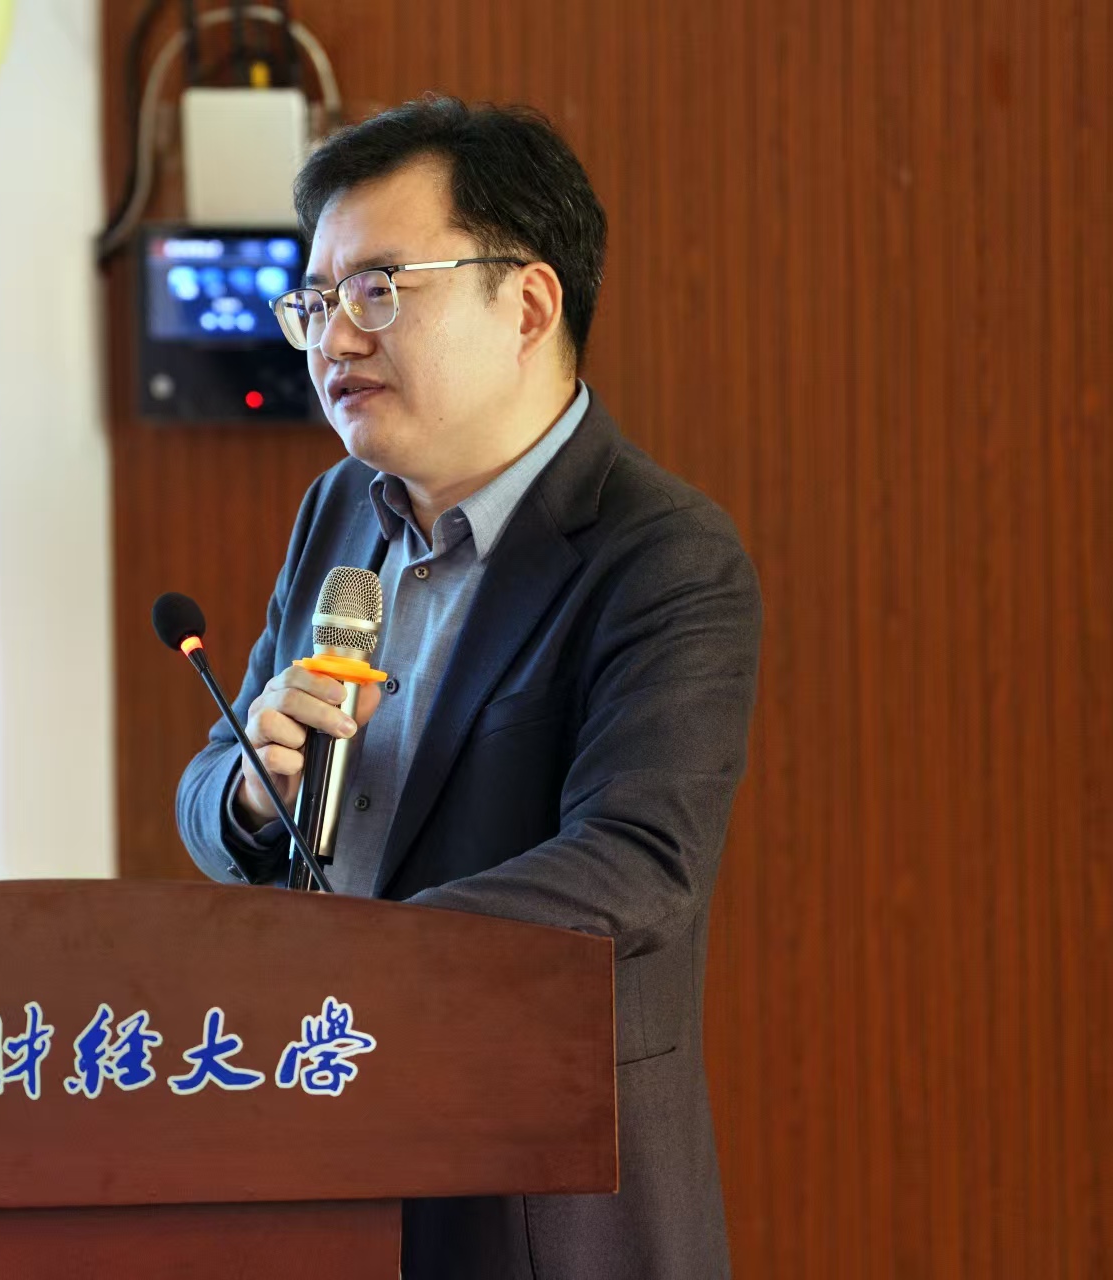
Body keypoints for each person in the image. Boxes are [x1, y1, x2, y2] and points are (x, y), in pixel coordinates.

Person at [175, 97, 761, 1279]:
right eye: (315, 302)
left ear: (528, 305)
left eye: (377, 289)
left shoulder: (661, 553)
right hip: (321, 1165)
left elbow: (638, 863)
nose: (334, 340)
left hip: (540, 1195)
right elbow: (213, 787)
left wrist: (364, 966)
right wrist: (246, 788)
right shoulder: (339, 511)